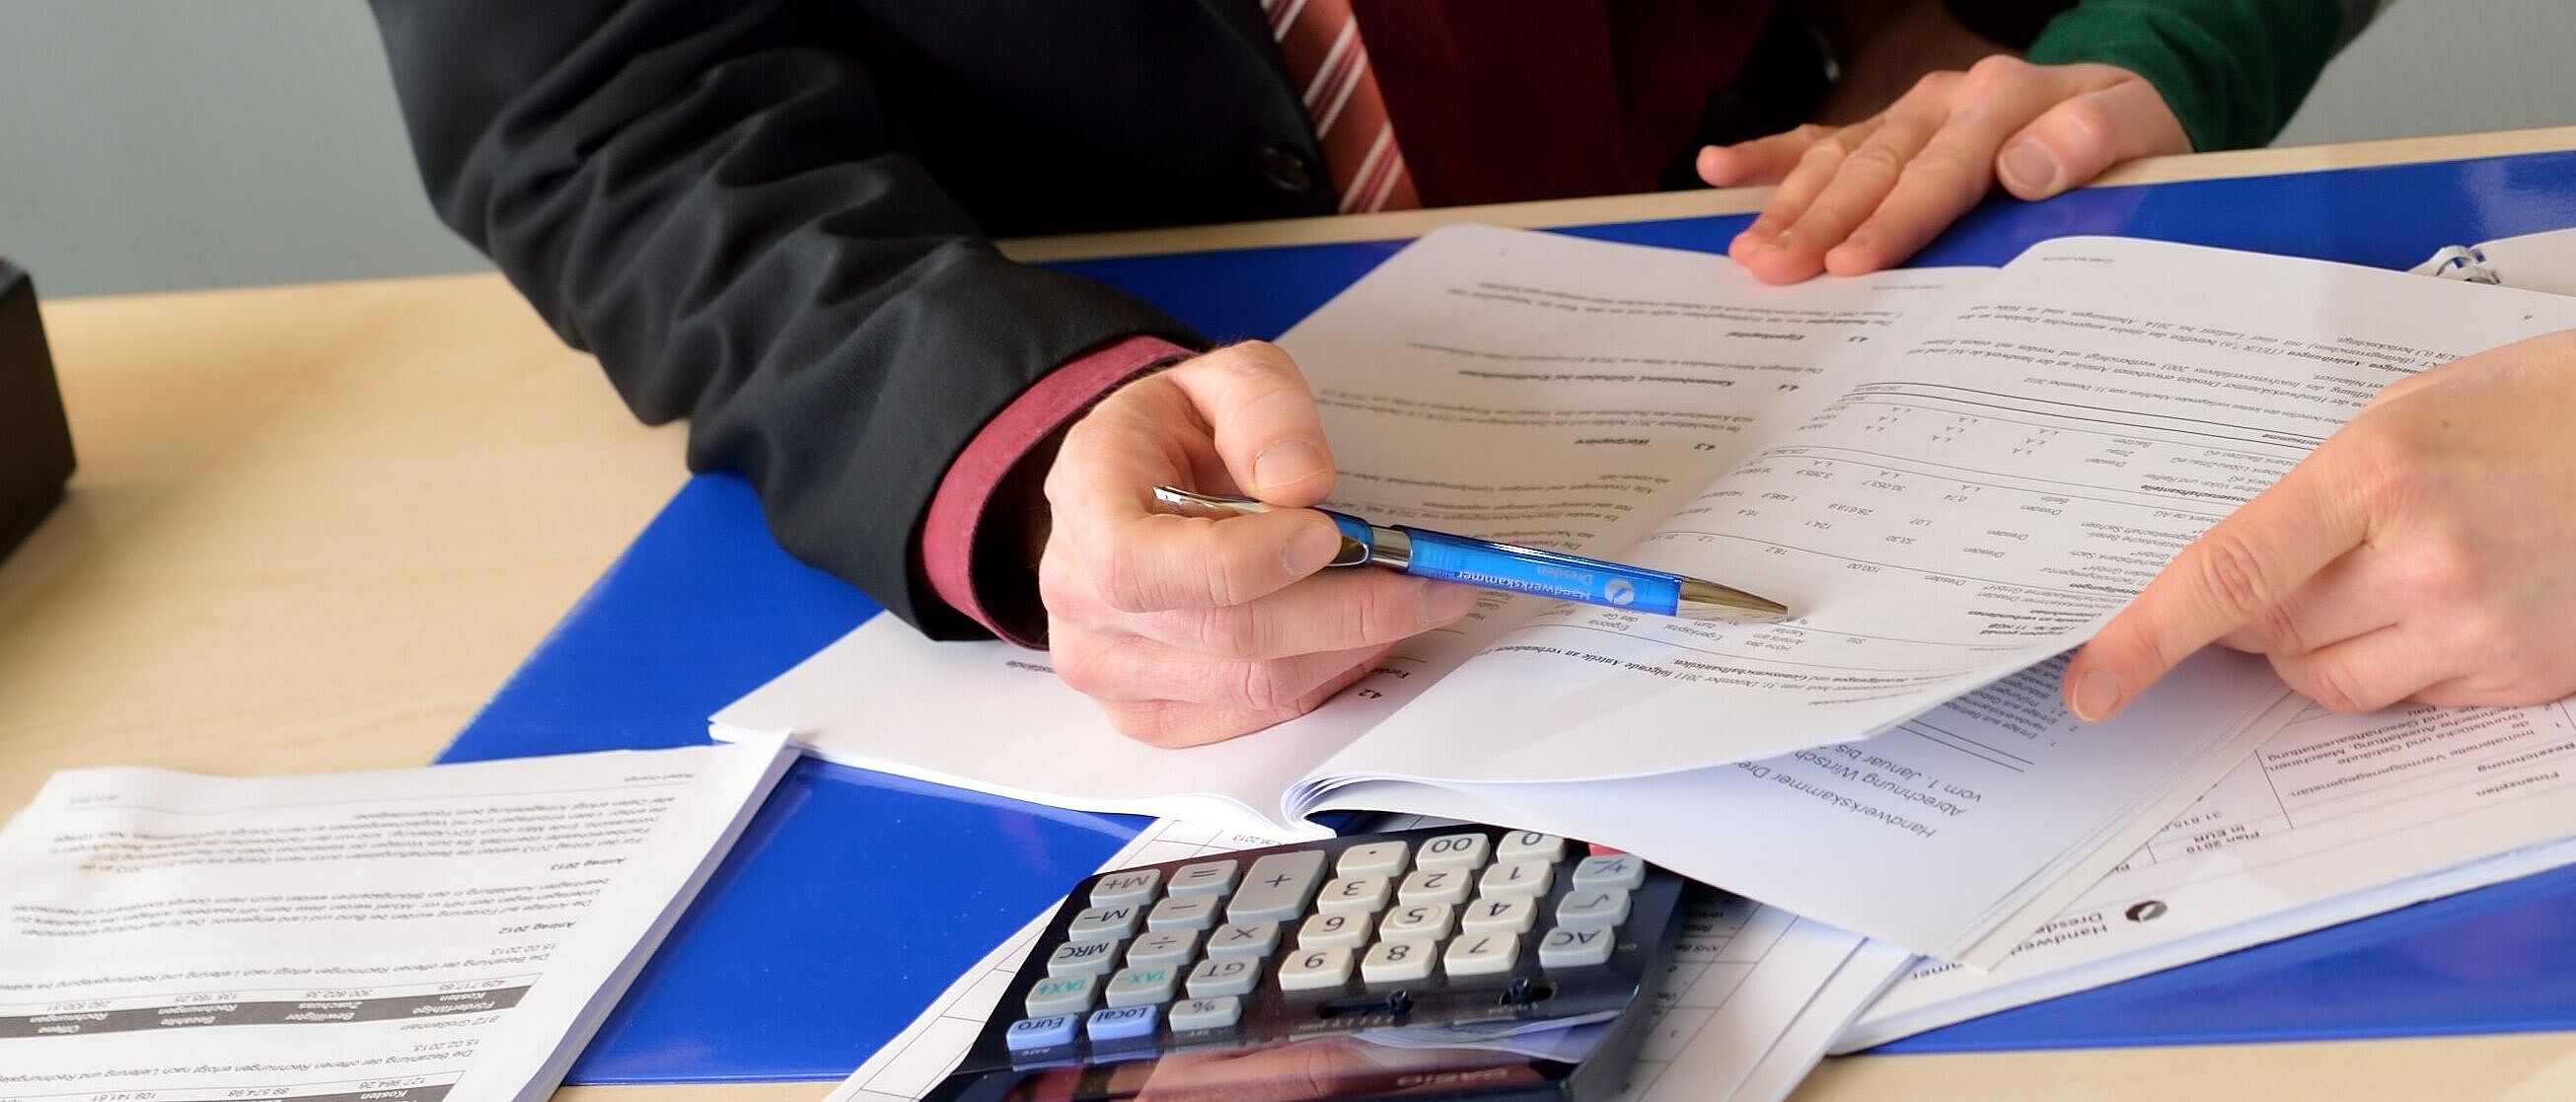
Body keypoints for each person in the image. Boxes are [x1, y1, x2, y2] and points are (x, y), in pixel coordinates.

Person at [370, 0, 2377, 745]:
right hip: (1079, 370)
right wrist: (1014, 426)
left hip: (1862, 287)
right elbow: (607, 106)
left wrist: (2145, 39)